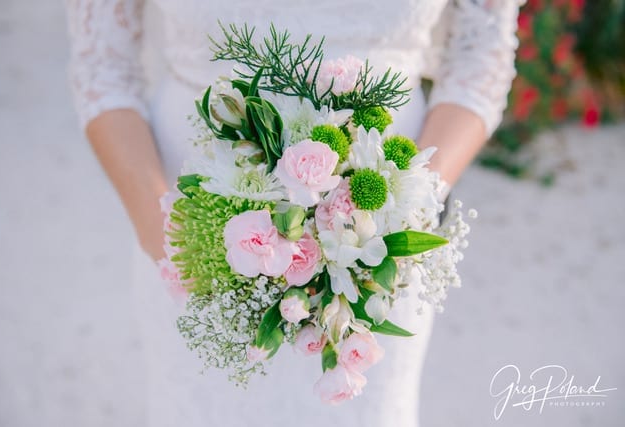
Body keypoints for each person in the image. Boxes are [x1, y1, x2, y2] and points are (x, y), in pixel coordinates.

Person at [66, 1, 522, 426]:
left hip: (380, 236)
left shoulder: (395, 226)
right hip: (193, 232)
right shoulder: (176, 240)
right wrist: (163, 234)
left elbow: (478, 58)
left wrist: (410, 207)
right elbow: (103, 68)